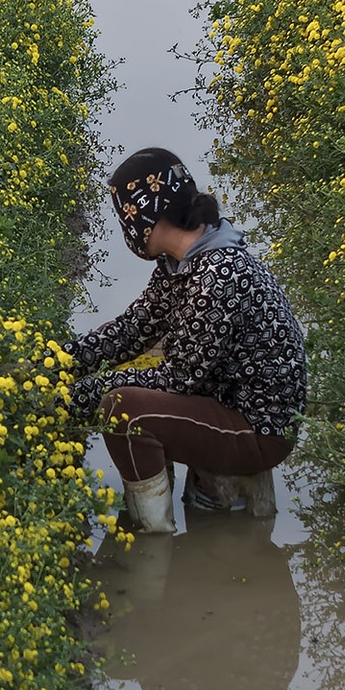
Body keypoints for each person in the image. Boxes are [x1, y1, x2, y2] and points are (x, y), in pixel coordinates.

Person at [66, 149, 308, 534]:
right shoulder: (182, 262)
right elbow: (133, 329)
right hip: (225, 402)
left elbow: (178, 378)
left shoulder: (218, 273)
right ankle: (190, 504)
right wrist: (53, 365)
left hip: (260, 429)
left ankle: (151, 538)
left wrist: (78, 397)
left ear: (147, 217)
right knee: (135, 371)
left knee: (124, 408)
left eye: (124, 218)